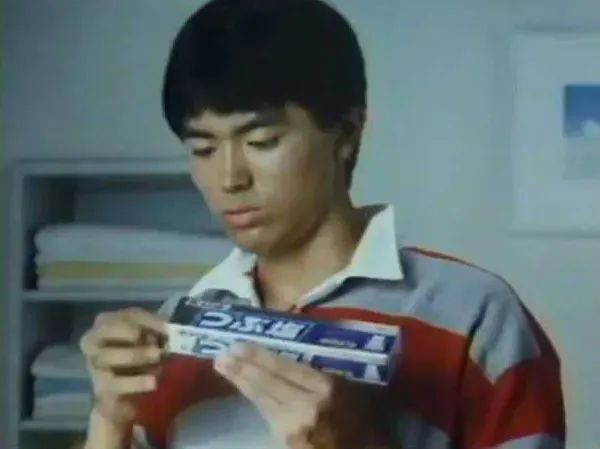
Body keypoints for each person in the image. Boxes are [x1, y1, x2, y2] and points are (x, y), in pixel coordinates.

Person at [79, 0, 566, 448]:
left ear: (347, 131)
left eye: (262, 141)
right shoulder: (177, 327)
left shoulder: (474, 316)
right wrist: (109, 419)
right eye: (203, 149)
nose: (229, 178)